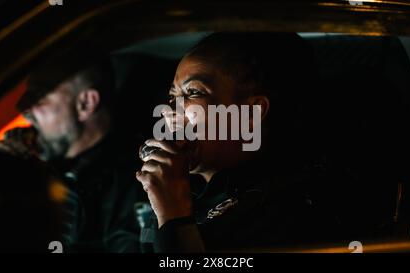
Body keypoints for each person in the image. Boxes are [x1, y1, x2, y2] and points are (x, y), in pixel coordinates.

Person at [136, 32, 344, 252]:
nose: (171, 112)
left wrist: (174, 216)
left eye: (193, 92)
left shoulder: (294, 211)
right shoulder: (183, 187)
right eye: (172, 96)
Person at [0, 52, 146, 252]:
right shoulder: (42, 168)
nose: (24, 109)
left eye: (39, 95)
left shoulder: (138, 181)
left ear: (86, 103)